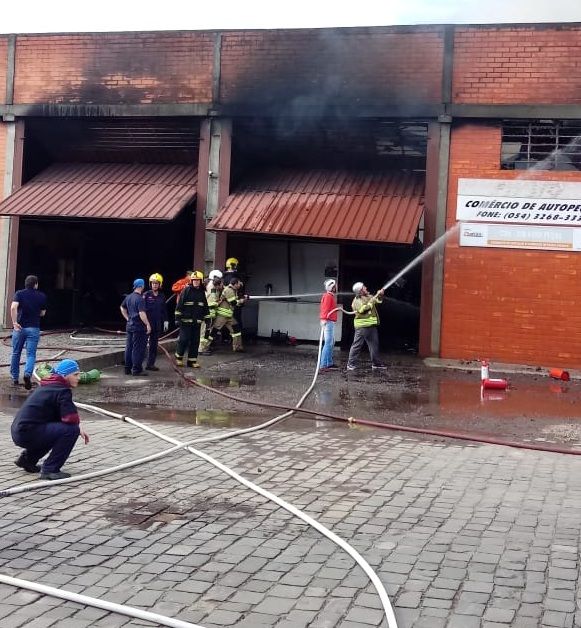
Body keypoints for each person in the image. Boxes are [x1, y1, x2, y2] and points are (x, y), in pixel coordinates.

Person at [11, 358, 89, 481]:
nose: (78, 378)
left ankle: (27, 460)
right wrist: (78, 427)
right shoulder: (62, 390)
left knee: (55, 431)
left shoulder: (48, 386)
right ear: (64, 376)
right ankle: (50, 469)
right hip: (29, 432)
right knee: (70, 430)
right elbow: (70, 418)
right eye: (75, 374)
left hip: (19, 432)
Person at [10, 275, 47, 390]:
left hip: (19, 328)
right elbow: (43, 313)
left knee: (16, 353)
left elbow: (13, 307)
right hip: (34, 328)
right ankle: (27, 374)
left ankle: (15, 378)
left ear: (25, 284)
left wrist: (14, 322)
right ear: (35, 284)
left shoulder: (19, 293)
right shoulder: (41, 296)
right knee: (31, 354)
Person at [346, 282, 387, 371]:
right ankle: (350, 364)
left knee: (374, 345)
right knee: (357, 345)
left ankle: (376, 363)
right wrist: (372, 301)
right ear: (360, 291)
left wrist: (380, 295)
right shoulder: (356, 300)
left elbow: (378, 301)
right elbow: (363, 310)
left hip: (371, 326)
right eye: (364, 287)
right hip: (362, 327)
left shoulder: (369, 297)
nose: (366, 288)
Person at [200, 277, 247, 353]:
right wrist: (242, 300)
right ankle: (204, 348)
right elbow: (233, 303)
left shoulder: (232, 290)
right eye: (238, 283)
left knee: (236, 330)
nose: (240, 285)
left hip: (228, 315)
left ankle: (237, 347)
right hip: (222, 315)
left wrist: (241, 296)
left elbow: (233, 299)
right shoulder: (228, 290)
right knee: (213, 332)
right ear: (235, 284)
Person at [174, 270, 209, 369]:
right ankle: (179, 358)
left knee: (195, 341)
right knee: (184, 340)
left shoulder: (202, 293)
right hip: (185, 321)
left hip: (197, 322)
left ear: (201, 281)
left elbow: (205, 306)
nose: (196, 282)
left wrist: (207, 318)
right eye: (194, 280)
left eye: (198, 280)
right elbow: (180, 304)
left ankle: (192, 361)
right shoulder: (186, 290)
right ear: (191, 281)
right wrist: (177, 318)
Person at [120, 279, 151, 376]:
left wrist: (127, 318)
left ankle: (127, 369)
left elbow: (122, 307)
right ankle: (136, 370)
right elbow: (142, 313)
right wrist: (147, 324)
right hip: (139, 327)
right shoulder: (140, 299)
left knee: (129, 347)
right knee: (138, 348)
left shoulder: (129, 297)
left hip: (129, 326)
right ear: (141, 286)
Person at [143, 273, 168, 371]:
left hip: (157, 324)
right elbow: (141, 310)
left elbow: (164, 310)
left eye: (157, 283)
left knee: (153, 346)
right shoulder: (146, 295)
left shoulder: (162, 296)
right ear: (150, 284)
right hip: (146, 324)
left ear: (160, 284)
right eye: (153, 283)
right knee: (142, 345)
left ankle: (150, 364)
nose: (155, 285)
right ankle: (137, 364)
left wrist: (166, 321)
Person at [199, 269, 223, 355]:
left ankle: (204, 347)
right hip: (208, 314)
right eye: (220, 279)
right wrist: (219, 302)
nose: (220, 281)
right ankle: (201, 349)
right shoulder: (212, 287)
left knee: (206, 331)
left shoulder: (211, 286)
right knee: (204, 332)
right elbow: (212, 302)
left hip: (209, 313)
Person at [319, 279, 339, 372]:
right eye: (335, 286)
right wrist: (323, 319)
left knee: (331, 343)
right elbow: (325, 309)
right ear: (332, 287)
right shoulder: (328, 296)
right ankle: (323, 364)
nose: (336, 287)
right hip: (328, 322)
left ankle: (329, 363)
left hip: (330, 322)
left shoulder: (330, 296)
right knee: (328, 343)